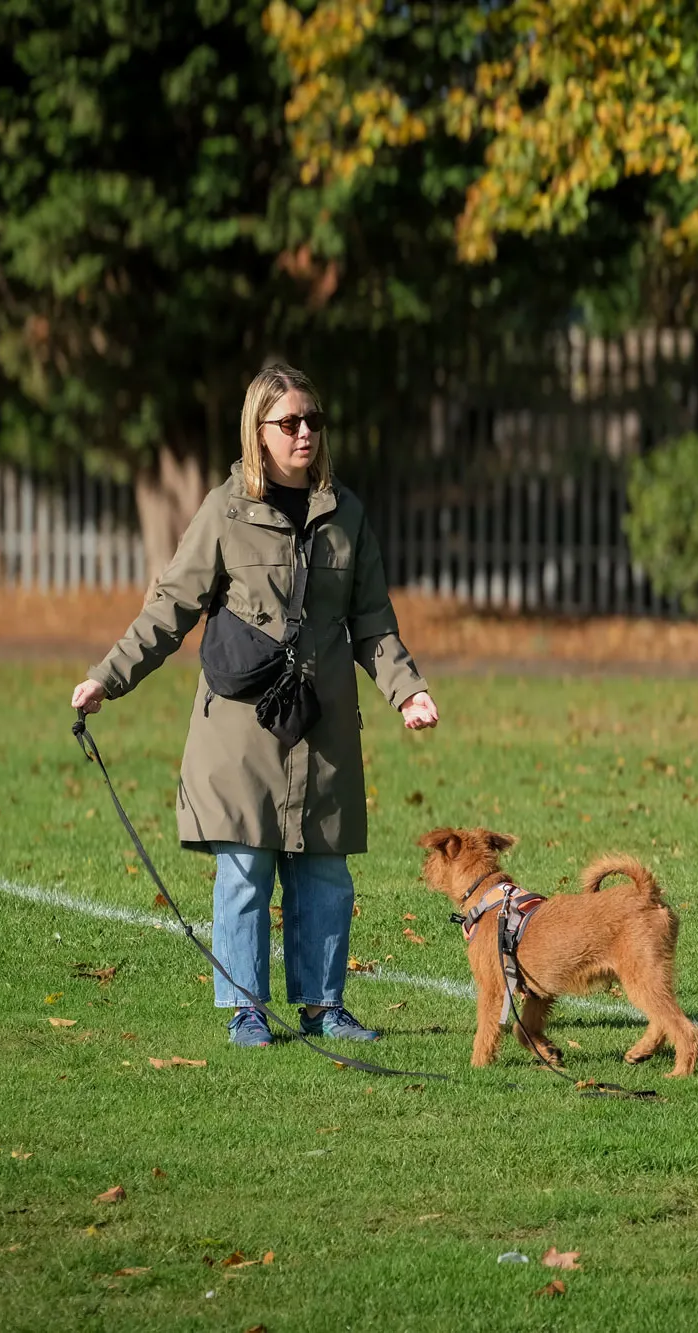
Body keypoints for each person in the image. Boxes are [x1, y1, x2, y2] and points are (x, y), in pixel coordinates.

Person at [70, 363, 438, 1048]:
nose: (305, 433)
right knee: (246, 865)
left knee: (325, 870)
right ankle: (246, 1008)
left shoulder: (346, 515)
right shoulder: (224, 510)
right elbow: (169, 609)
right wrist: (107, 678)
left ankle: (324, 1006)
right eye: (289, 422)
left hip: (322, 727)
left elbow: (373, 622)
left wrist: (406, 690)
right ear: (258, 432)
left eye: (313, 421)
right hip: (239, 726)